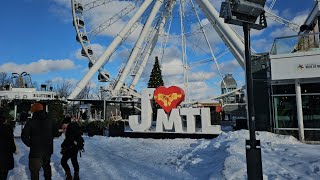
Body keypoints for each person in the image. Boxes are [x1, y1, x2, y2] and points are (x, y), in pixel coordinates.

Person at [21, 103, 56, 180]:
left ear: (34, 111)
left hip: (35, 152)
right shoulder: (50, 121)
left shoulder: (31, 122)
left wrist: (30, 144)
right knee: (47, 168)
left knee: (34, 173)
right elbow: (56, 133)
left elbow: (24, 135)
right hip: (47, 151)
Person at [0, 114, 17, 180]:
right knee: (4, 173)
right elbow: (11, 142)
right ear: (4, 121)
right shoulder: (8, 129)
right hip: (5, 155)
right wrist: (14, 149)